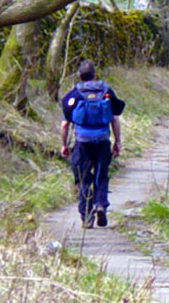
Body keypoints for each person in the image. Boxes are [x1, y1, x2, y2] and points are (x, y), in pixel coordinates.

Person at [59, 60, 125, 228]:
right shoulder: (106, 91)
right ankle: (101, 204)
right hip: (102, 140)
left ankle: (87, 216)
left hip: (82, 142)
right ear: (95, 75)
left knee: (83, 178)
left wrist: (64, 145)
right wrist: (117, 142)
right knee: (101, 175)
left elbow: (65, 124)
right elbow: (115, 118)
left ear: (80, 76)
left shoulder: (75, 94)